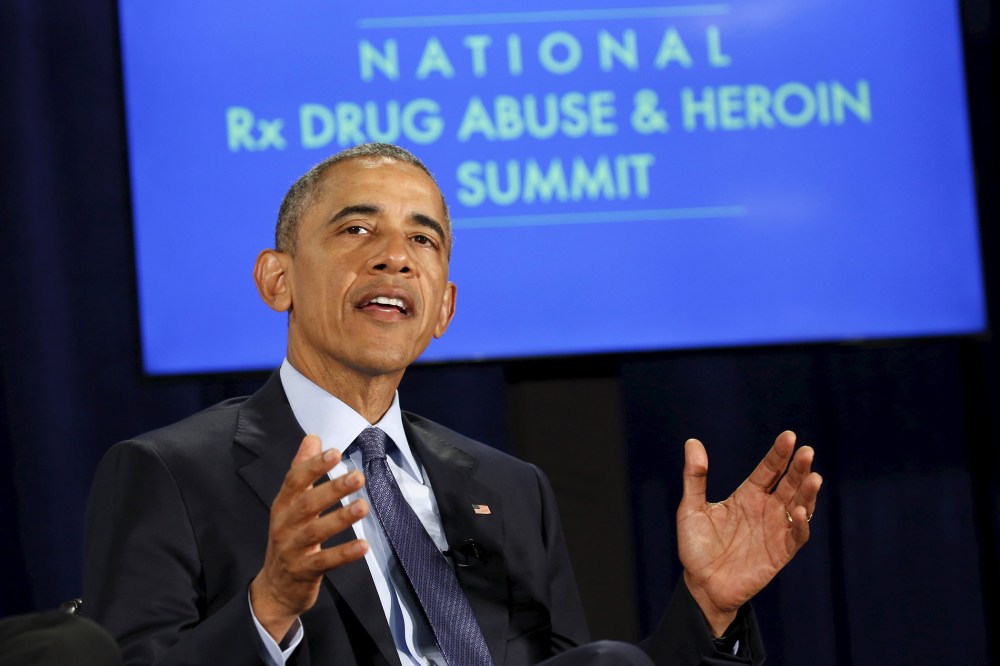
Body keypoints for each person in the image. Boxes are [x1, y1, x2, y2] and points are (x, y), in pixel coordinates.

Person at [83, 143, 821, 665]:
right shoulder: (169, 474)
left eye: (423, 240)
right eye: (356, 229)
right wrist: (270, 604)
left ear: (443, 309)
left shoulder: (508, 488)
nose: (395, 257)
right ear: (277, 281)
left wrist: (707, 611)